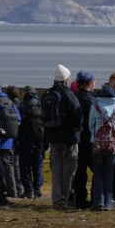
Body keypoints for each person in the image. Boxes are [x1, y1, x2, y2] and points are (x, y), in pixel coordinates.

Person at [43, 64, 82, 210]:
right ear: (66, 78)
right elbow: (78, 116)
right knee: (68, 171)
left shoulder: (47, 94)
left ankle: (56, 200)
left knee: (57, 171)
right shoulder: (69, 95)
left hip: (53, 138)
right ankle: (63, 200)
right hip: (68, 139)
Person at [89, 72, 115, 211]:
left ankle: (98, 202)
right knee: (110, 173)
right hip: (113, 144)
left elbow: (90, 125)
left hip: (97, 143)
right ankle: (108, 203)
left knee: (98, 172)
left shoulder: (95, 105)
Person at [0, 83, 21, 198]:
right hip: (9, 141)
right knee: (9, 168)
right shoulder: (10, 103)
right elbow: (19, 120)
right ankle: (13, 192)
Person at [72, 71, 96, 209]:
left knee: (80, 172)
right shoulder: (91, 100)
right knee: (97, 170)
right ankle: (95, 198)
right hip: (89, 139)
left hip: (77, 139)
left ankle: (80, 199)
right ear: (90, 83)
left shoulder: (74, 98)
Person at [17, 86, 46, 199]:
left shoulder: (22, 107)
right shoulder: (40, 106)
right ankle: (37, 190)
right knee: (38, 166)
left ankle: (29, 190)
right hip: (40, 141)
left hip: (25, 141)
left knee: (25, 166)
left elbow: (19, 125)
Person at [6, 85, 24, 197]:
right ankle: (18, 187)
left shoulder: (8, 106)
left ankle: (14, 189)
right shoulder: (21, 106)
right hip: (20, 138)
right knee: (16, 164)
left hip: (10, 139)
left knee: (10, 165)